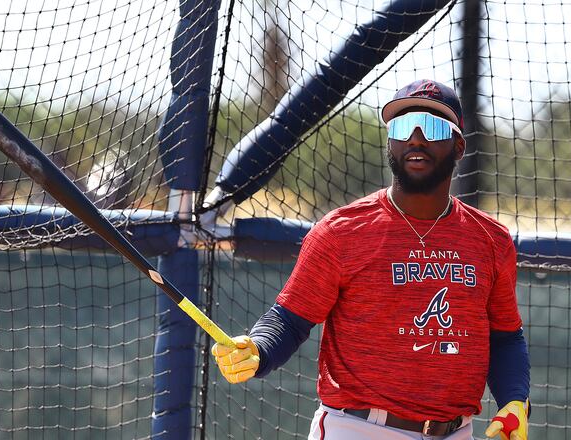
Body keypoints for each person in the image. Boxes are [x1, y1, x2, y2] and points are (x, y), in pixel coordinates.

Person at [212, 79, 530, 440]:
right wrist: (259, 349)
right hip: (360, 428)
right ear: (390, 143)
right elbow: (290, 320)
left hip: (456, 431)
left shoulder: (491, 239)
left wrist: (515, 400)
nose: (415, 138)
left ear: (458, 146)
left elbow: (505, 336)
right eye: (401, 127)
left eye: (433, 127)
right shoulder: (341, 230)